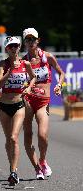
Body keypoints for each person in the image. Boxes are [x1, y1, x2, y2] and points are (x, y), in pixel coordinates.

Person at [22, 28, 65, 180]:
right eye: (27, 40)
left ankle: (42, 160)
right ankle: (37, 168)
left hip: (43, 102)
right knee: (28, 135)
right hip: (27, 101)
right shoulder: (24, 61)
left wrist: (59, 85)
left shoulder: (47, 57)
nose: (30, 42)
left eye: (33, 39)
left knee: (42, 136)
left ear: (38, 41)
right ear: (24, 43)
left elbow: (61, 73)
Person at [0, 36, 36, 186]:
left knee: (14, 138)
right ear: (7, 48)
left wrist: (29, 87)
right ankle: (12, 167)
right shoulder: (2, 64)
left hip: (19, 104)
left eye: (16, 46)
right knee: (8, 139)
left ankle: (14, 172)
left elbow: (33, 77)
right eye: (11, 46)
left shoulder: (25, 63)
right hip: (3, 106)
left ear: (19, 47)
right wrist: (10, 71)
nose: (14, 48)